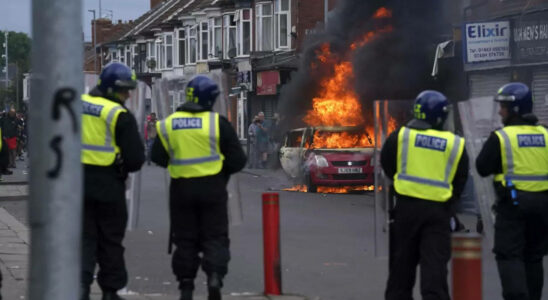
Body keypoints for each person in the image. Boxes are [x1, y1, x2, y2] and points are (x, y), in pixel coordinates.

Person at [151, 75, 246, 300]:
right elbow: (238, 160)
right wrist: (221, 172)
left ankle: (186, 285)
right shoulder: (217, 123)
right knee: (215, 236)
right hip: (213, 189)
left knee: (185, 238)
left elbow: (157, 157)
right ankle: (214, 277)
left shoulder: (168, 124)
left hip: (181, 190)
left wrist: (178, 160)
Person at [381, 90, 469, 300]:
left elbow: (387, 165)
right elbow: (461, 179)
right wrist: (449, 201)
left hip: (406, 212)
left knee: (400, 275)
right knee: (435, 276)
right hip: (438, 214)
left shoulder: (401, 136)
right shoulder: (454, 143)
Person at [476, 82, 548, 300]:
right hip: (543, 207)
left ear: (515, 109)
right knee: (534, 257)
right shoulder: (545, 134)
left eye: (504, 107)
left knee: (509, 256)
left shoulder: (501, 137)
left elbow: (482, 167)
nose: (500, 111)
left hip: (513, 207)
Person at [80, 62, 145, 300]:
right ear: (110, 88)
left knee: (83, 240)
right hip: (108, 185)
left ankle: (80, 288)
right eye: (124, 90)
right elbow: (136, 159)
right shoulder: (119, 115)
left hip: (76, 184)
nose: (127, 95)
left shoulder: (77, 105)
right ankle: (110, 291)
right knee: (110, 241)